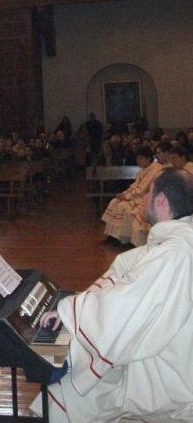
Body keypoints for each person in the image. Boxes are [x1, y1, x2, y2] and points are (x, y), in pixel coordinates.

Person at [33, 168, 193, 422]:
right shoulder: (181, 241)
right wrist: (81, 301)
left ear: (161, 200)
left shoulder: (174, 252)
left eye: (149, 193)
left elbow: (126, 307)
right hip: (174, 357)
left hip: (171, 379)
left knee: (75, 392)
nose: (144, 200)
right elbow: (130, 269)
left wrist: (68, 312)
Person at [102, 146, 163, 245]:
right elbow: (135, 186)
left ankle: (125, 238)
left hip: (146, 198)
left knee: (124, 207)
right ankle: (112, 235)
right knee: (114, 202)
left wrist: (126, 197)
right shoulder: (143, 169)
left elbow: (143, 189)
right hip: (136, 196)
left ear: (148, 158)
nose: (138, 161)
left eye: (141, 158)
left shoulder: (156, 169)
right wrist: (124, 194)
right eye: (137, 159)